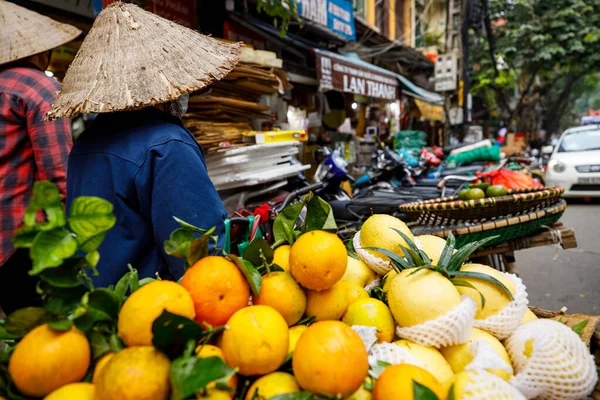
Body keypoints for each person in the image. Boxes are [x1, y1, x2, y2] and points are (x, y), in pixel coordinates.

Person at [47, 3, 241, 287]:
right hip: (150, 310)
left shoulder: (86, 142)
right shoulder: (167, 146)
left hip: (96, 308)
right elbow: (198, 257)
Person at [0, 1, 80, 314]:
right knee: (34, 336)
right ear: (38, 50)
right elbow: (60, 174)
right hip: (22, 241)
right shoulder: (38, 87)